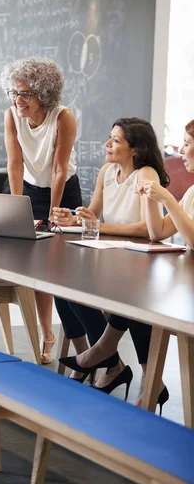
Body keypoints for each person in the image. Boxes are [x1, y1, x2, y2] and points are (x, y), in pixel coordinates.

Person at [55, 118, 170, 411]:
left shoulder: (146, 174)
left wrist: (100, 227)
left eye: (116, 140)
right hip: (111, 254)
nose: (107, 145)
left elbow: (146, 228)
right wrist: (75, 218)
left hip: (141, 258)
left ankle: (109, 360)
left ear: (135, 148)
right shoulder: (107, 172)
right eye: (110, 138)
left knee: (134, 296)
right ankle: (111, 361)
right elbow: (93, 213)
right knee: (64, 285)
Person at [0, 57, 82, 363]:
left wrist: (53, 212)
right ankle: (47, 334)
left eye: (25, 94)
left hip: (62, 190)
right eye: (13, 93)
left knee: (57, 266)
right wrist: (18, 209)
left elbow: (60, 169)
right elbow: (15, 163)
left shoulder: (63, 117)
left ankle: (78, 341)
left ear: (42, 94)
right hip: (28, 187)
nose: (18, 101)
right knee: (34, 266)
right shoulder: (12, 115)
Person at [140, 118, 194, 249]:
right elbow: (158, 232)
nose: (181, 150)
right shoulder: (192, 192)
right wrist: (150, 195)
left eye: (186, 144)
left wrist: (166, 198)